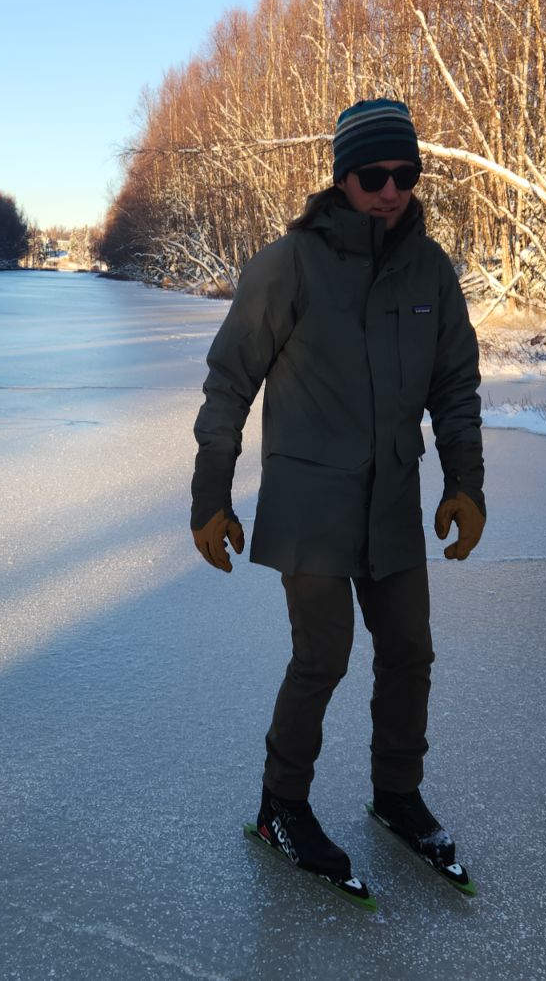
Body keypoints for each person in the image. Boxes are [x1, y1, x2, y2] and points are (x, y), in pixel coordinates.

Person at [189, 98, 485, 900]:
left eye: (405, 174)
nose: (391, 190)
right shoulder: (288, 264)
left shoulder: (429, 271)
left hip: (392, 498)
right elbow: (230, 381)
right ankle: (280, 806)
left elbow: (455, 386)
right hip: (311, 501)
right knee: (323, 656)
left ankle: (396, 796)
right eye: (373, 175)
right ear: (342, 177)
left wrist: (466, 483)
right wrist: (210, 493)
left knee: (410, 654)